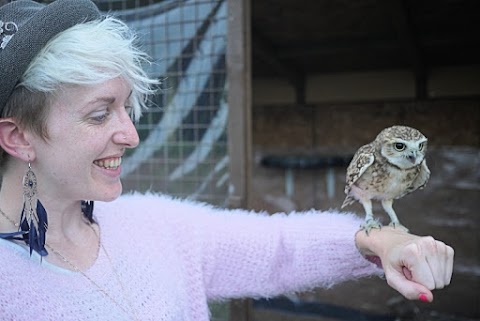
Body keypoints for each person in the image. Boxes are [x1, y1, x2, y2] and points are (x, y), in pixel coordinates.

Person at [0, 0, 454, 320]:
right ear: (19, 137)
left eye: (127, 108)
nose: (131, 134)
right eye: (100, 114)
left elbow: (278, 247)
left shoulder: (150, 225)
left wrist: (377, 242)